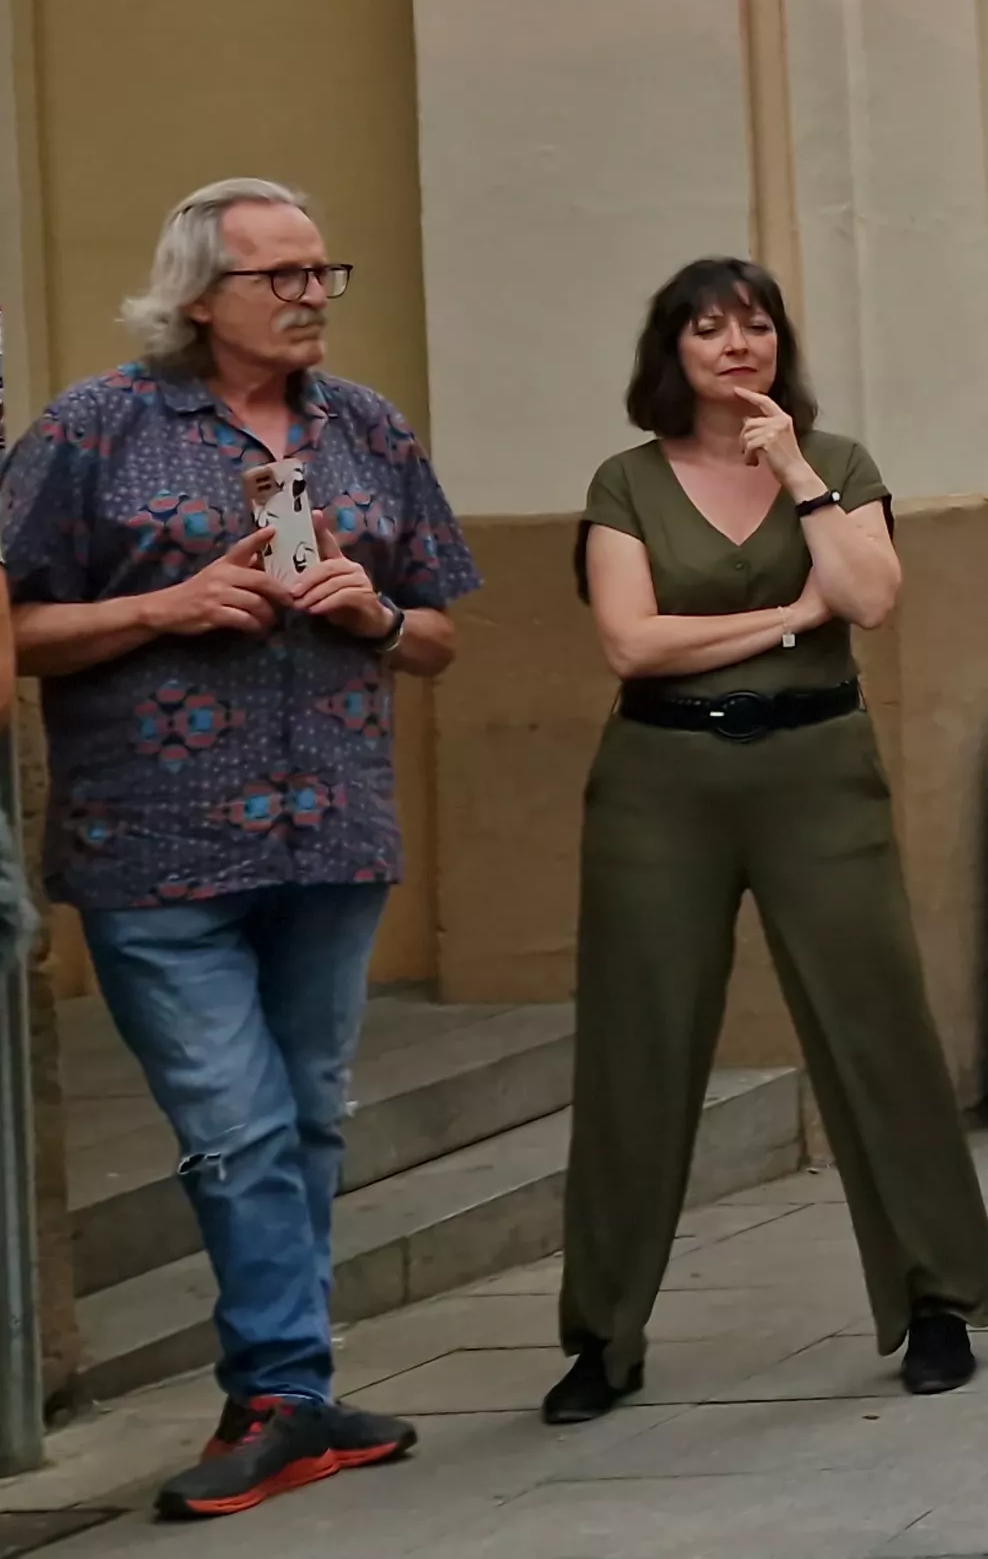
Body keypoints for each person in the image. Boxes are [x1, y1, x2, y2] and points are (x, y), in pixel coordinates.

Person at [0, 179, 474, 1519]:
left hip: (334, 833)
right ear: (201, 296)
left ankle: (284, 1391)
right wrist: (161, 608)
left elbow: (441, 633)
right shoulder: (95, 428)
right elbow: (17, 627)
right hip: (156, 844)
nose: (313, 296)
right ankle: (280, 1392)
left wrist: (377, 616)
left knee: (307, 1116)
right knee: (236, 1123)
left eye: (325, 272)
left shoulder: (368, 428)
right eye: (283, 276)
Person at [543, 258, 988, 1421]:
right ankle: (603, 1335)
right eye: (707, 328)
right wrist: (794, 614)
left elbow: (874, 596)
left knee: (876, 1024)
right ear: (673, 350)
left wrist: (797, 473)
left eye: (754, 324)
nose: (735, 344)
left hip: (818, 770)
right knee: (638, 1043)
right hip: (661, 780)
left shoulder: (836, 463)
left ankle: (937, 1301)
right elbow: (632, 644)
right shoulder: (626, 480)